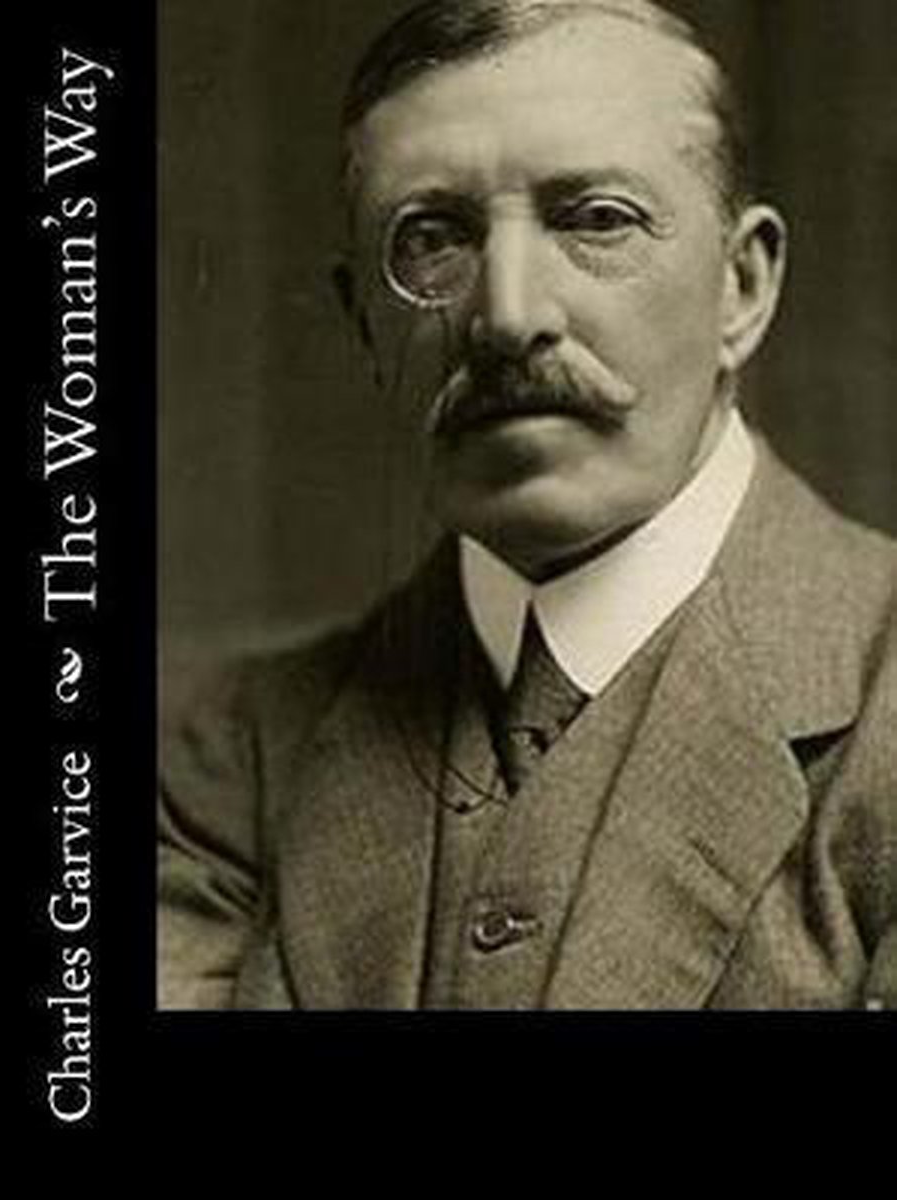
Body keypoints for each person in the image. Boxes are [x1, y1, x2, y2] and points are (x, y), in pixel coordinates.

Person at [158, 0, 896, 1010]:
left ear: (742, 286)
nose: (508, 316)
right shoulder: (224, 762)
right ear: (363, 326)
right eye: (431, 240)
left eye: (597, 220)